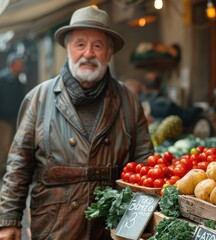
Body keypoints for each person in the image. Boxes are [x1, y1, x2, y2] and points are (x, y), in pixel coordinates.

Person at [0, 6, 154, 240]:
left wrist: (142, 220)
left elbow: (145, 162)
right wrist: (9, 220)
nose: (89, 53)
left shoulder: (128, 99)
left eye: (98, 46)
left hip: (112, 227)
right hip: (55, 226)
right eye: (80, 44)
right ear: (68, 48)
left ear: (109, 52)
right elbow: (19, 165)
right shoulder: (39, 98)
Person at [0, 53, 26, 176]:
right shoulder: (3, 79)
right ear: (13, 64)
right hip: (3, 119)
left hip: (15, 118)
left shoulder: (18, 79)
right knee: (4, 144)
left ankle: (8, 169)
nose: (22, 67)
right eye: (20, 64)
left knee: (13, 144)